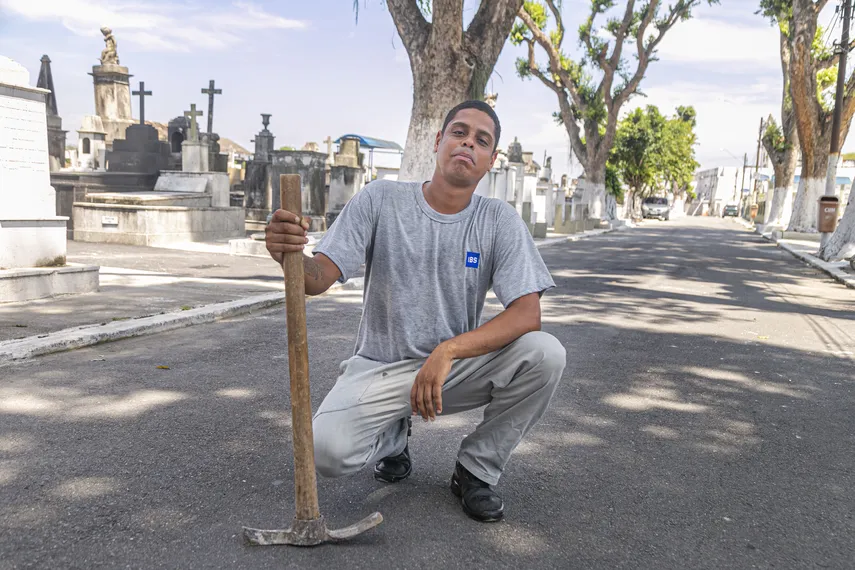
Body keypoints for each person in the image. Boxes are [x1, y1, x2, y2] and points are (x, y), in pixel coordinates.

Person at [265, 100, 566, 522]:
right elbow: (317, 279)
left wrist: (447, 352)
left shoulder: (498, 220)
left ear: (491, 161)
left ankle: (476, 470)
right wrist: (289, 254)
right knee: (327, 453)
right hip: (378, 369)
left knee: (546, 353)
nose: (468, 143)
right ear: (439, 141)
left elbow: (526, 315)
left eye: (482, 140)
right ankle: (392, 434)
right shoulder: (381, 199)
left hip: (449, 373)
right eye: (459, 132)